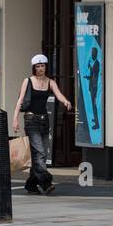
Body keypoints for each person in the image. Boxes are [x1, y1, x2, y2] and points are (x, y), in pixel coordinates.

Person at [13, 54, 72, 196]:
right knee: (39, 152)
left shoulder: (50, 82)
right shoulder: (28, 81)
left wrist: (66, 101)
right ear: (34, 68)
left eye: (43, 65)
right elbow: (20, 100)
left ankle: (31, 185)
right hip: (31, 119)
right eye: (38, 66)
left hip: (44, 120)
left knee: (41, 154)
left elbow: (59, 94)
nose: (41, 68)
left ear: (46, 66)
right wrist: (15, 119)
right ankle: (46, 183)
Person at [85, 46, 101, 131]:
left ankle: (97, 124)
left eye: (93, 53)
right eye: (91, 53)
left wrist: (89, 65)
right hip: (92, 87)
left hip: (94, 88)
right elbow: (92, 75)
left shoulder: (97, 63)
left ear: (96, 54)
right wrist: (87, 77)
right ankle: (95, 119)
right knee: (92, 104)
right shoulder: (94, 62)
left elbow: (94, 73)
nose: (92, 54)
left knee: (94, 105)